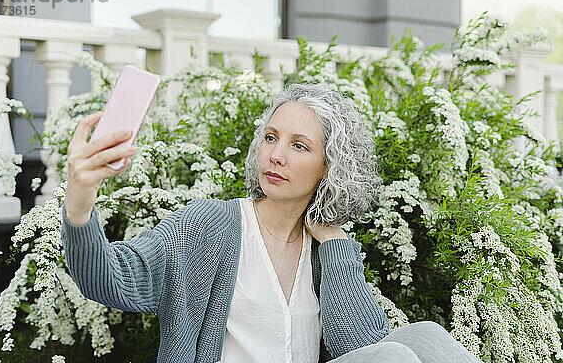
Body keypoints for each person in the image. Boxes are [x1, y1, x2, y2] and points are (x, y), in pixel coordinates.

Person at [62, 84, 480, 363]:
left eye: (299, 146)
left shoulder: (325, 249)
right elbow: (111, 280)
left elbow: (359, 350)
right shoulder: (210, 227)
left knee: (423, 338)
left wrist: (334, 244)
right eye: (271, 137)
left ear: (327, 168)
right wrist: (80, 202)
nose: (276, 155)